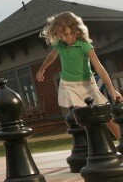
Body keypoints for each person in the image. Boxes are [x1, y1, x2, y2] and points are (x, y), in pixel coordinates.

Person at [36, 11, 122, 139]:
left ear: (75, 30)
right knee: (82, 117)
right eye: (60, 36)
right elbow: (51, 56)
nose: (64, 38)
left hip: (87, 84)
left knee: (105, 115)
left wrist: (112, 89)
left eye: (66, 34)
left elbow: (99, 67)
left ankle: (121, 141)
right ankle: (95, 145)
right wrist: (42, 69)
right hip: (69, 84)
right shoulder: (60, 45)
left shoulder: (85, 46)